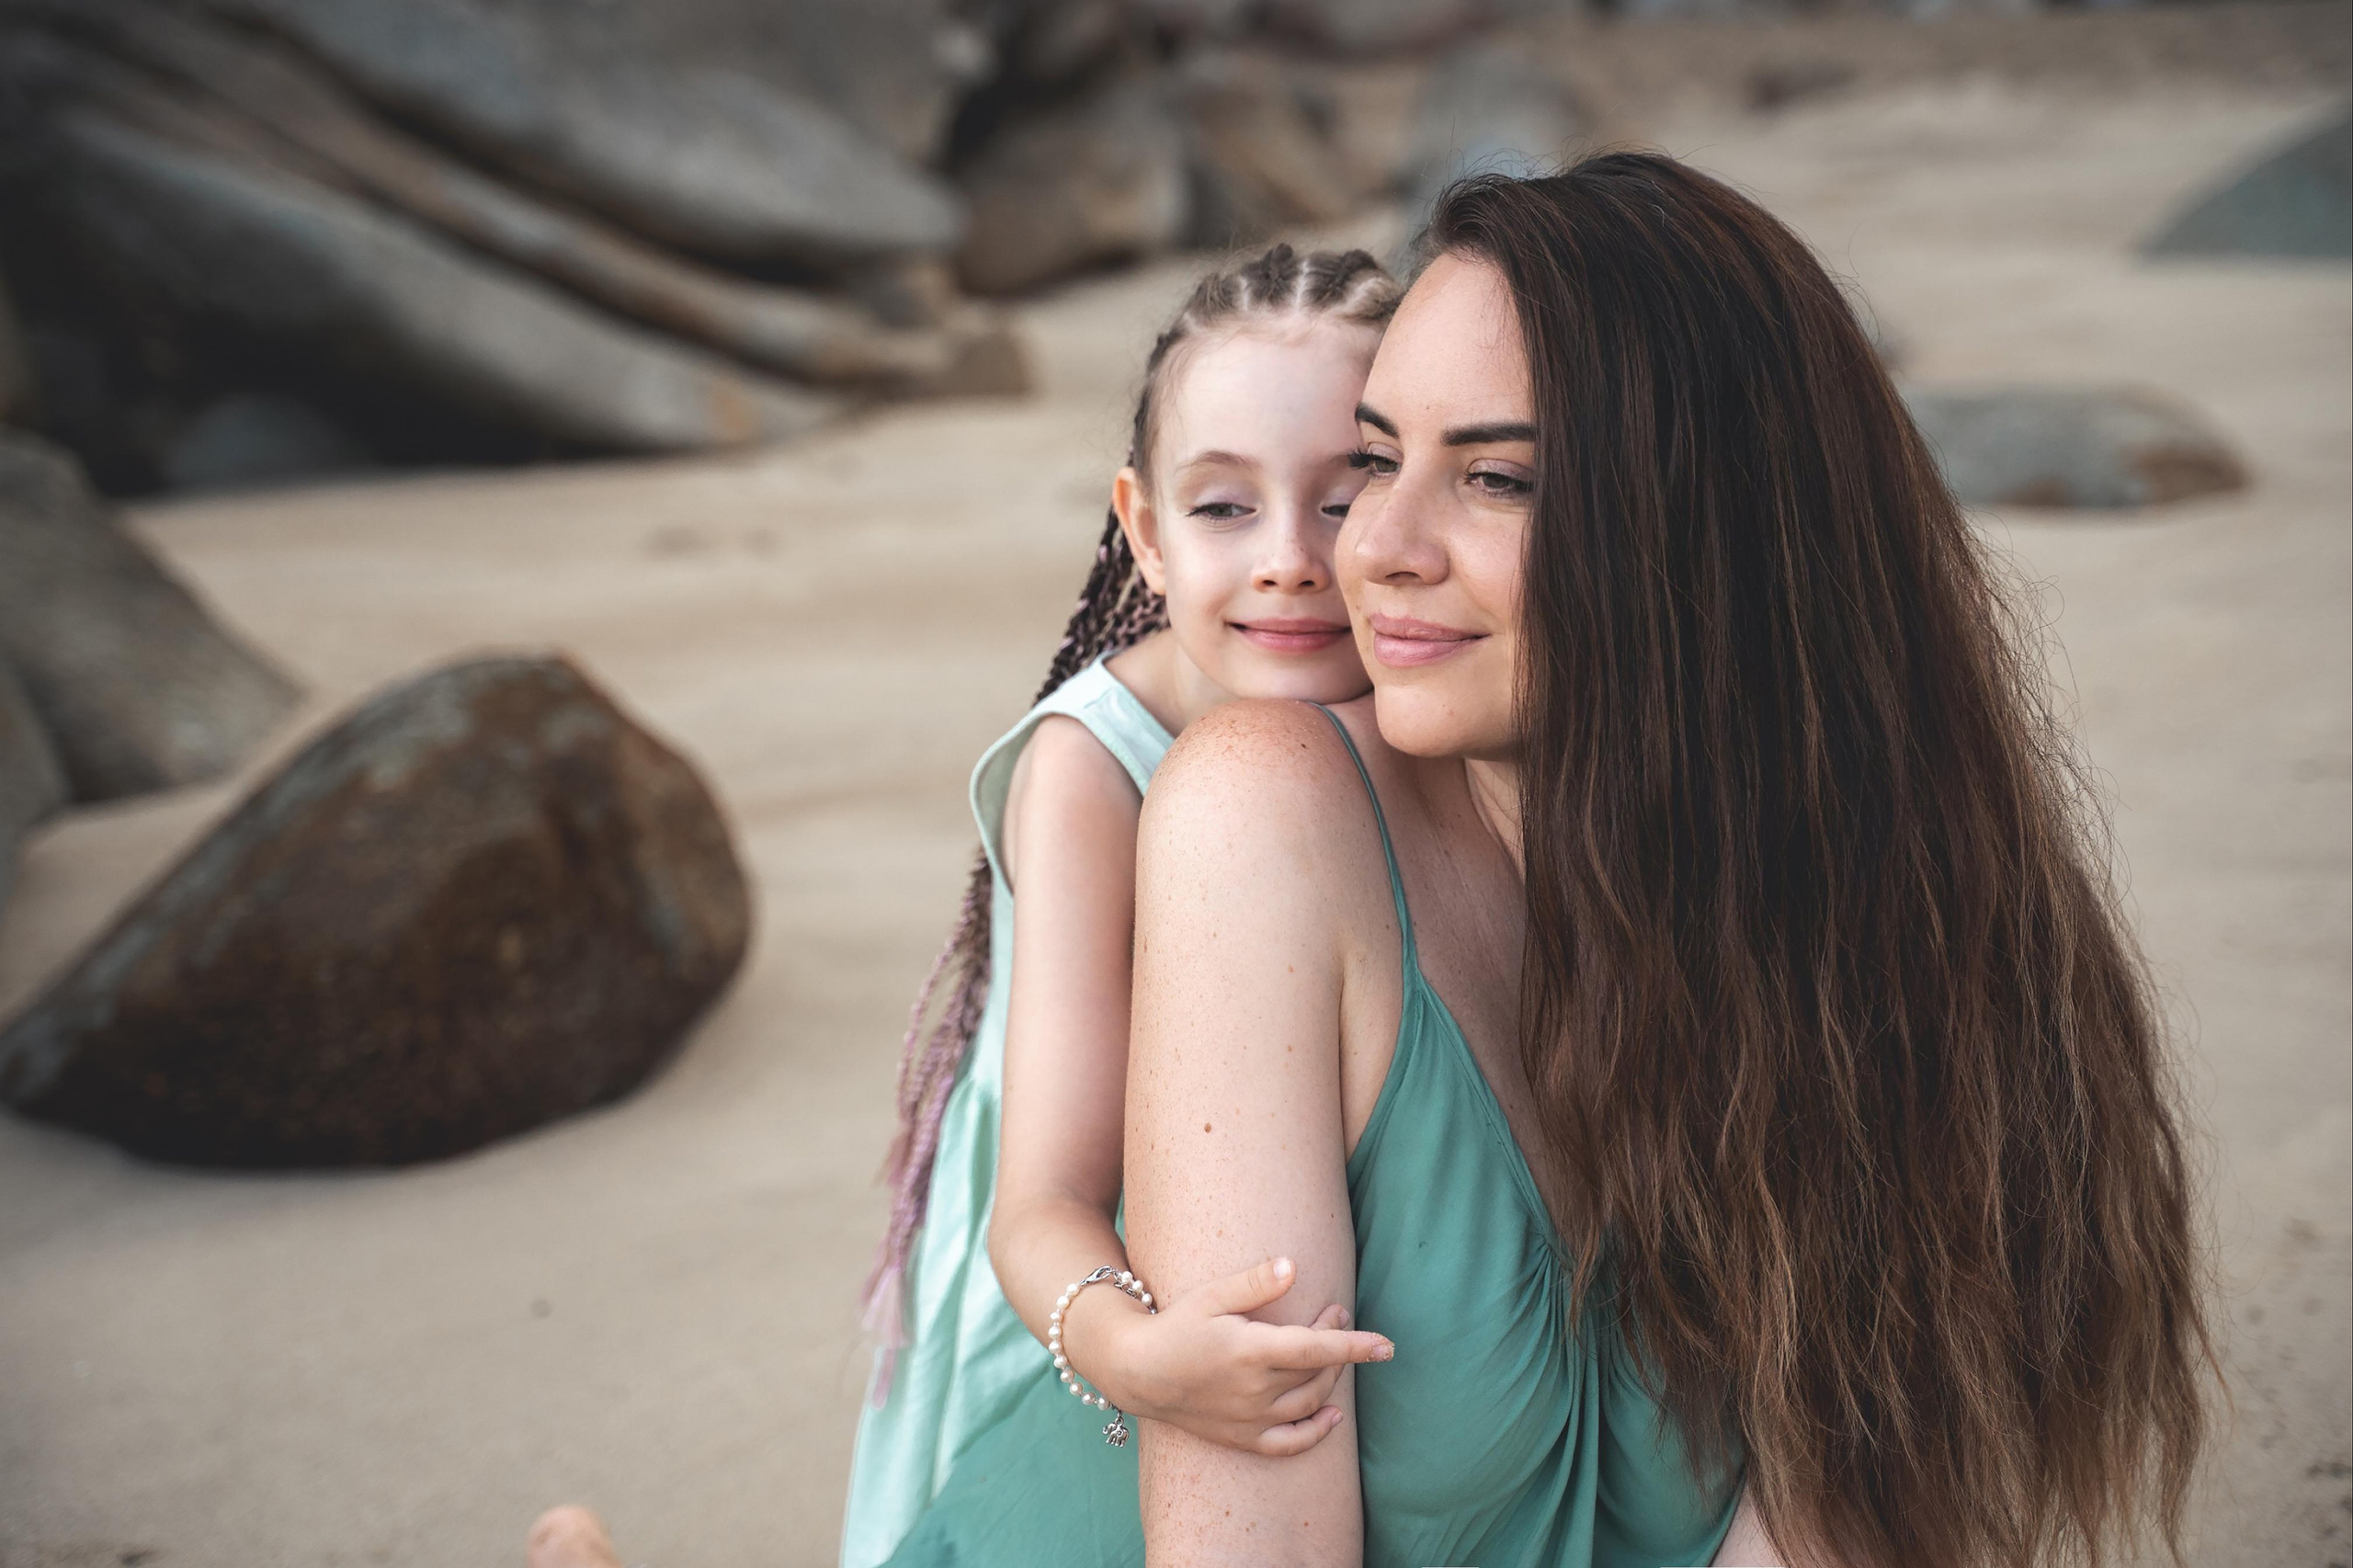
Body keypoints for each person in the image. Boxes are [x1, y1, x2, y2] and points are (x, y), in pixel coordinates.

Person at [1119, 153, 2213, 1568]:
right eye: (1379, 457)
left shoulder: (1898, 942)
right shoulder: (1265, 815)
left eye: (1497, 477)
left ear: (1706, 539)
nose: (1373, 548)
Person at [524, 244, 1404, 1568]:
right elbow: (1043, 1194)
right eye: (1225, 507)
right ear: (1147, 532)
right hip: (1095, 1289)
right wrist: (1135, 1353)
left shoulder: (1440, 705)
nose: (1289, 559)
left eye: (1343, 500)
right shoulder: (1093, 767)